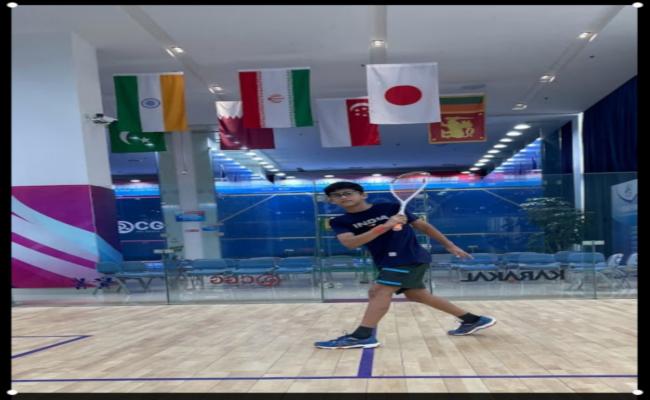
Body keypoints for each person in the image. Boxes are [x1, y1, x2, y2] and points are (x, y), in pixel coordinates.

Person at [314, 181, 496, 349]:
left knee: (379, 291)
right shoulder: (339, 221)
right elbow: (351, 243)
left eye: (348, 193)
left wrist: (450, 245)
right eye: (337, 195)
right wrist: (385, 226)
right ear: (331, 200)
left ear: (363, 195)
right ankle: (473, 319)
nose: (343, 197)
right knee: (417, 294)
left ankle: (362, 336)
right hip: (386, 260)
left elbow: (424, 227)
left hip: (407, 256)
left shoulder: (391, 208)